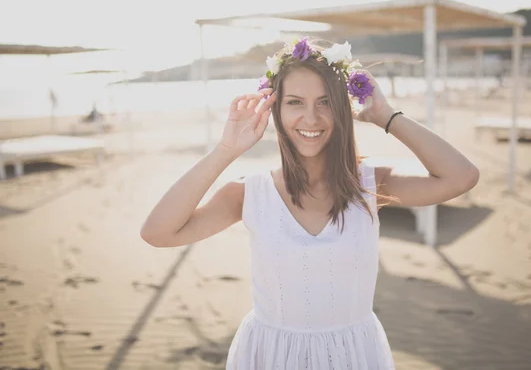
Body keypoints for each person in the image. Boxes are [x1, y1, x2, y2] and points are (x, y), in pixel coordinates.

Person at [141, 37, 480, 369]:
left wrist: (387, 117)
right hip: (271, 356)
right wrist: (225, 151)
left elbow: (461, 177)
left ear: (343, 108)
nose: (311, 118)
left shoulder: (369, 183)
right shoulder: (248, 193)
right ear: (274, 107)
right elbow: (158, 233)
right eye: (295, 102)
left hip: (354, 355)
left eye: (325, 102)